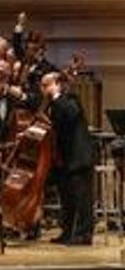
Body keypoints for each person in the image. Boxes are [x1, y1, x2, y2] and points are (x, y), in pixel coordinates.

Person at [43, 71, 94, 245]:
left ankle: (84, 235)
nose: (43, 89)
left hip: (78, 157)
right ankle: (67, 232)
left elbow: (71, 113)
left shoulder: (70, 98)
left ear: (57, 84)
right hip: (62, 158)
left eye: (46, 85)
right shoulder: (53, 104)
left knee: (82, 198)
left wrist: (56, 94)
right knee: (67, 199)